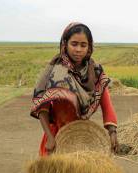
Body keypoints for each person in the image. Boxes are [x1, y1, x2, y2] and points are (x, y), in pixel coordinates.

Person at [30, 22, 118, 155]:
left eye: (83, 45)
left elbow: (106, 104)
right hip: (56, 136)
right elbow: (43, 107)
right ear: (65, 44)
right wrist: (49, 137)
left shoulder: (95, 72)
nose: (78, 49)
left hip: (83, 137)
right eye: (74, 44)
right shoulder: (55, 71)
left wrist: (113, 132)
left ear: (89, 47)